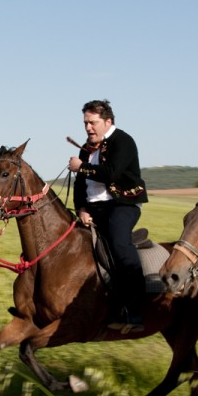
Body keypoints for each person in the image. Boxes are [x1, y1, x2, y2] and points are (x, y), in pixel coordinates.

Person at [68, 100, 148, 332]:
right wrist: (81, 208)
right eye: (86, 123)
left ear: (108, 122)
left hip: (122, 205)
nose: (88, 128)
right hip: (94, 209)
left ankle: (135, 312)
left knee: (119, 244)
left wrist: (81, 166)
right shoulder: (87, 147)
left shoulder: (123, 141)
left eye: (93, 123)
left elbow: (112, 173)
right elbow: (79, 185)